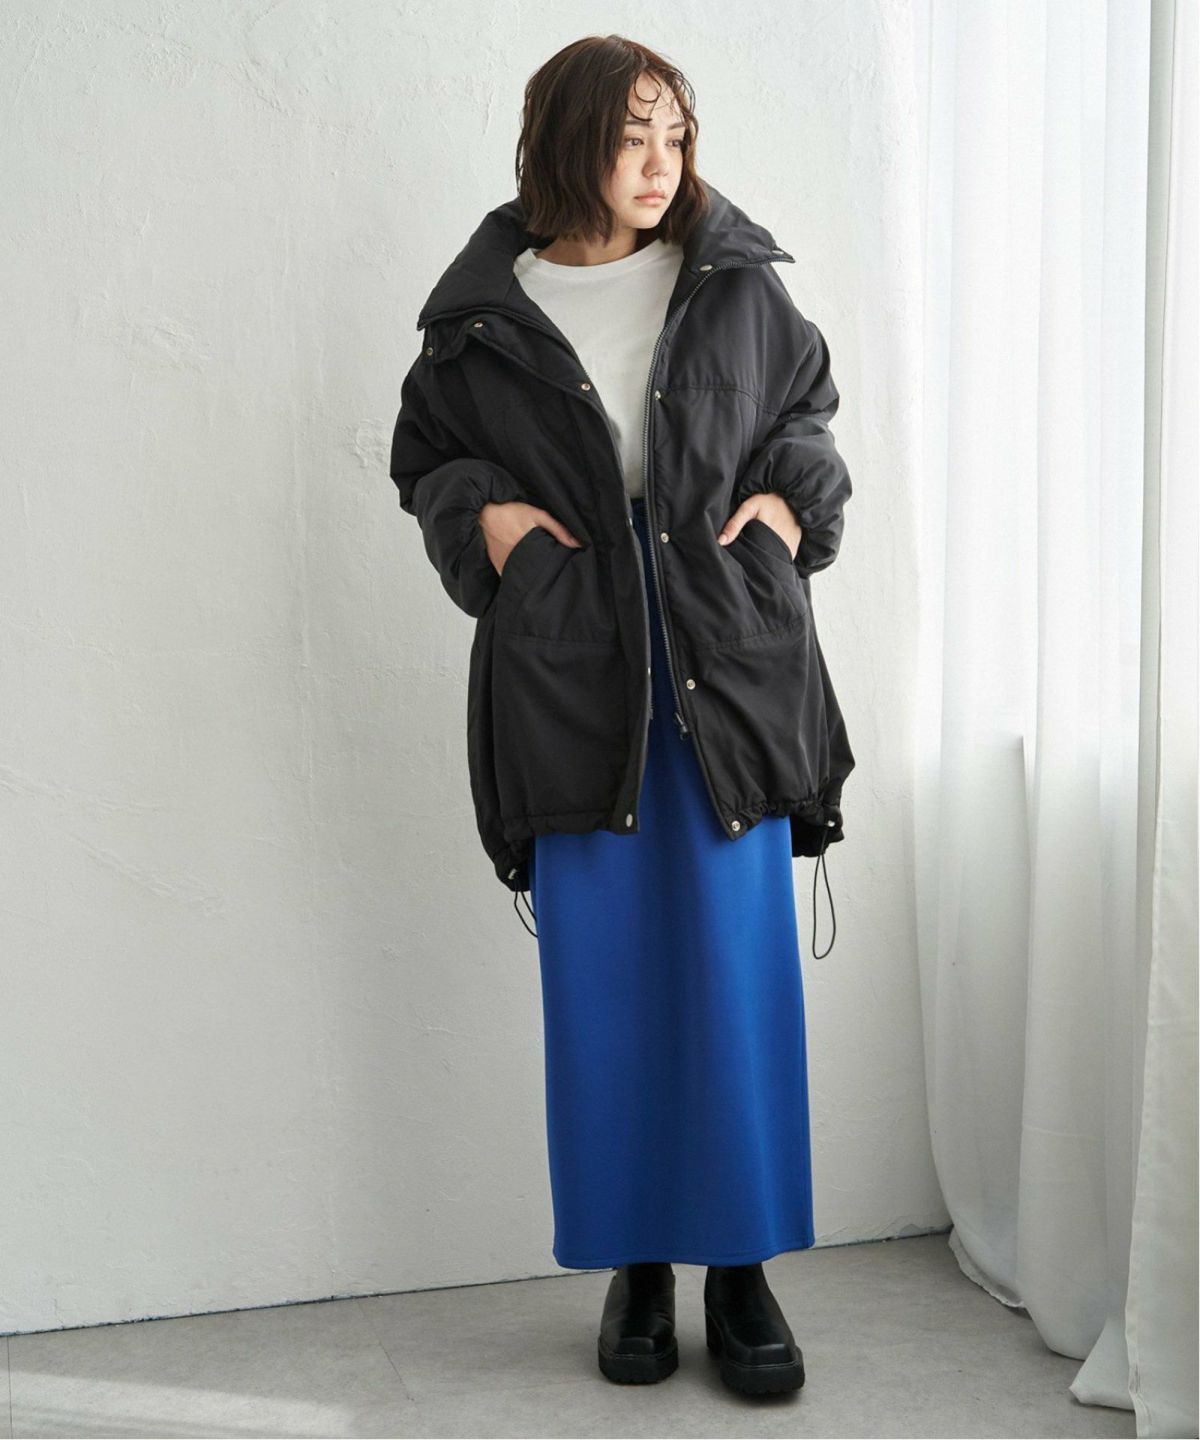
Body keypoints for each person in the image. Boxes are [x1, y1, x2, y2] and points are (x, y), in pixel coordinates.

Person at [390, 34, 855, 1398]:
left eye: (675, 135)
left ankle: (744, 1271)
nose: (659, 164)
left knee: (737, 979)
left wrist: (787, 511)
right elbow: (426, 458)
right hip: (573, 666)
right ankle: (638, 1269)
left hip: (725, 657)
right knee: (603, 989)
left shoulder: (732, 280)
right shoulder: (487, 313)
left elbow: (808, 415)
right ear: (566, 140)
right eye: (630, 135)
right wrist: (486, 520)